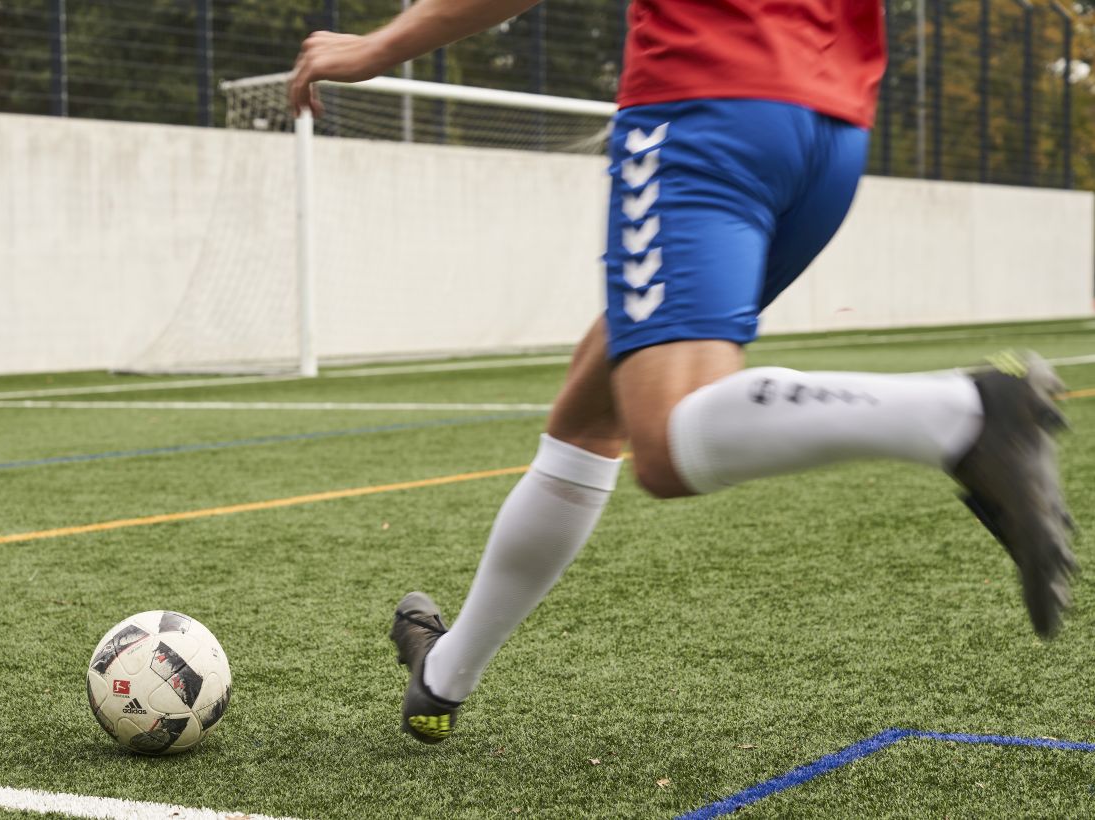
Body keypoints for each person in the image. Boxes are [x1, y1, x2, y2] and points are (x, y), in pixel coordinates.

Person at [289, 0, 1076, 745]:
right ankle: (443, 680)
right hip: (830, 127)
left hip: (704, 105)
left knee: (666, 436)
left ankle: (963, 414)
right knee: (592, 411)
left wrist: (375, 45)